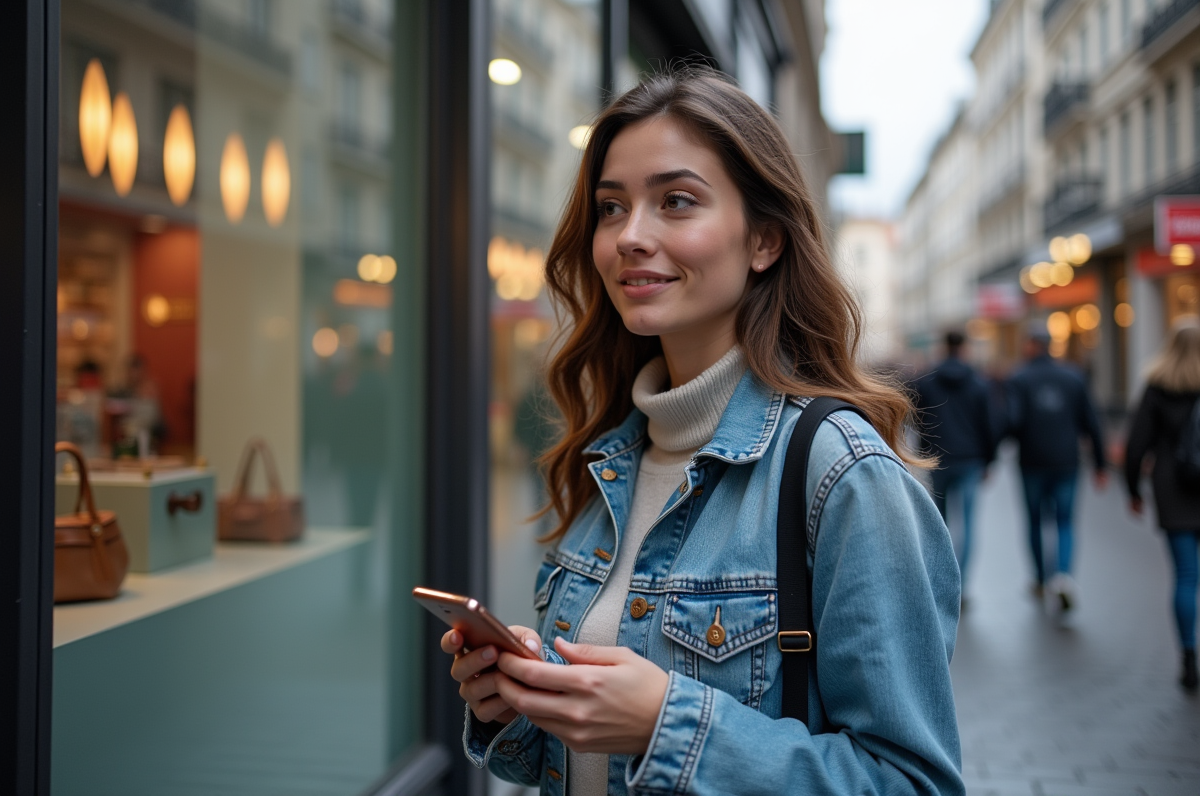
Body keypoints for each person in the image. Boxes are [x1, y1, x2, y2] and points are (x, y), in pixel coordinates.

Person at [440, 70, 963, 796]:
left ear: (765, 241)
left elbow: (912, 781)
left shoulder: (842, 475)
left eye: (676, 201)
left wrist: (666, 724)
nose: (630, 236)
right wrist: (522, 705)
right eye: (611, 207)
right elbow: (587, 760)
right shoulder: (610, 455)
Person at [1006, 327, 1108, 611]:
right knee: (1065, 521)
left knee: (1035, 521)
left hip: (1032, 462)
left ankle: (1040, 578)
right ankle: (1063, 576)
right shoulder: (1073, 376)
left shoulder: (1019, 378)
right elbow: (1092, 421)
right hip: (1067, 461)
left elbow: (1012, 421)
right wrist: (1101, 464)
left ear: (1031, 345)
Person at [1123, 317, 1200, 691]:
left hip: (1173, 488)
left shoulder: (1159, 384)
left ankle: (1188, 657)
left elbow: (1137, 444)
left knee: (1186, 575)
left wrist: (1133, 490)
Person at [913, 329, 996, 601]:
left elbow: (916, 416)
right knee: (969, 523)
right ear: (964, 348)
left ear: (943, 346)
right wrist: (989, 459)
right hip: (970, 459)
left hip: (937, 458)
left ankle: (942, 581)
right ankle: (963, 583)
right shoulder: (978, 382)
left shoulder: (927, 381)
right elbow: (990, 424)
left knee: (941, 523)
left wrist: (922, 447)